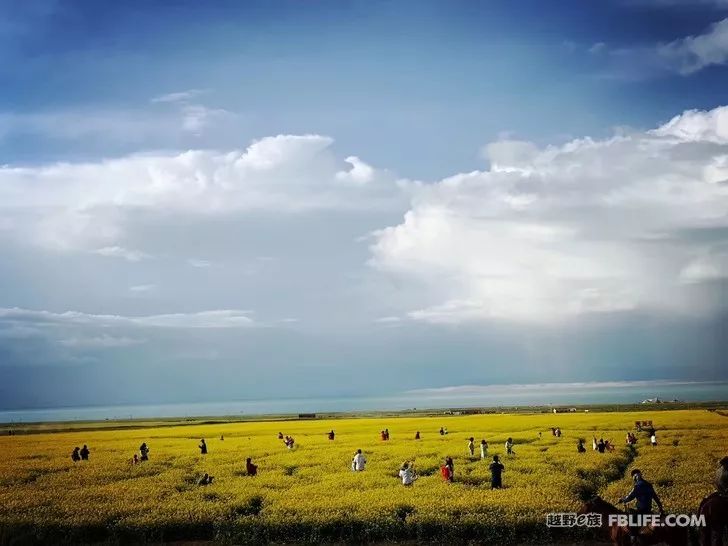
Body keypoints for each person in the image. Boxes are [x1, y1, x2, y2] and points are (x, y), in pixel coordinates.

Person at [619, 469, 664, 544]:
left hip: (641, 511)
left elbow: (629, 497)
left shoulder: (637, 486)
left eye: (634, 477)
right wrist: (660, 507)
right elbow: (655, 497)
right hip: (649, 510)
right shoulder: (649, 485)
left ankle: (633, 538)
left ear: (635, 477)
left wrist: (622, 500)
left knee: (631, 520)